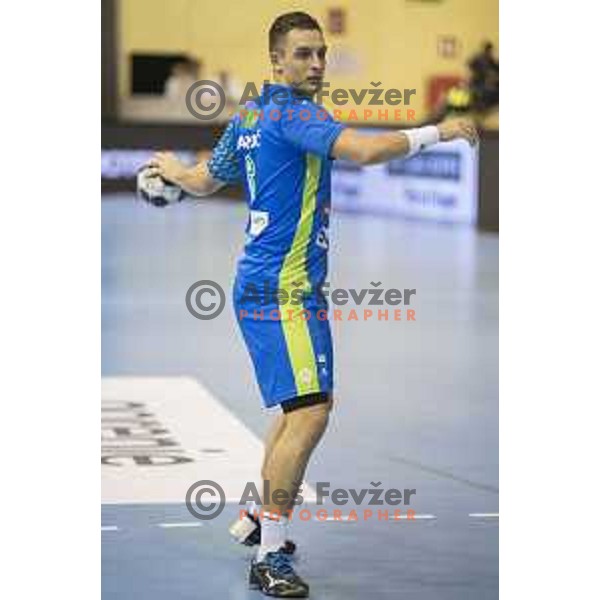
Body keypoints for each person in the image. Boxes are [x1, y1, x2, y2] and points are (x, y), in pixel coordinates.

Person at [143, 11, 477, 598]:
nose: (316, 64)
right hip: (283, 290)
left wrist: (172, 171)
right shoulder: (296, 114)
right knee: (312, 412)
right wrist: (439, 131)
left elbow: (204, 180)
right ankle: (269, 555)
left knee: (301, 407)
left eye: (320, 53)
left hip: (271, 285)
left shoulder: (250, 113)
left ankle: (256, 518)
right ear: (276, 61)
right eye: (303, 55)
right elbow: (367, 153)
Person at [468, 41, 499, 113]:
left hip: (483, 82)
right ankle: (480, 108)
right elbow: (470, 65)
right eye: (489, 49)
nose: (489, 51)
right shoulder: (480, 57)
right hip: (479, 81)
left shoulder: (490, 58)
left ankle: (481, 109)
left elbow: (497, 69)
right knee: (479, 94)